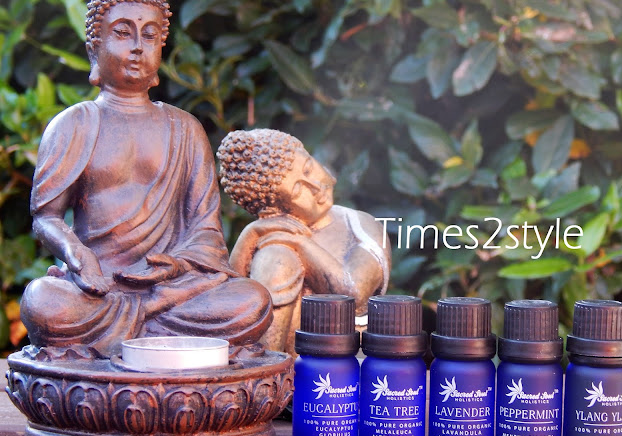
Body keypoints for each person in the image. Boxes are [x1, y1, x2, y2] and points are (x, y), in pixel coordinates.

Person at [20, 0, 272, 358]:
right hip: (98, 289)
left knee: (252, 300)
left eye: (150, 35)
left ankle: (143, 322)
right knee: (42, 302)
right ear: (94, 49)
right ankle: (154, 330)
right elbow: (46, 216)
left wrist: (178, 264)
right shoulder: (73, 124)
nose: (138, 46)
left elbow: (206, 229)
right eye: (123, 33)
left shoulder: (185, 129)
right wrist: (76, 254)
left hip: (170, 289)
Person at [217, 129, 391, 354]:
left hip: (348, 359)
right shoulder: (272, 244)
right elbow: (230, 314)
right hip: (293, 359)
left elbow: (355, 295)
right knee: (275, 257)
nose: (315, 186)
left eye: (309, 168)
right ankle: (268, 367)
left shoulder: (360, 224)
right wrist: (248, 238)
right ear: (273, 211)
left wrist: (302, 244)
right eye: (298, 190)